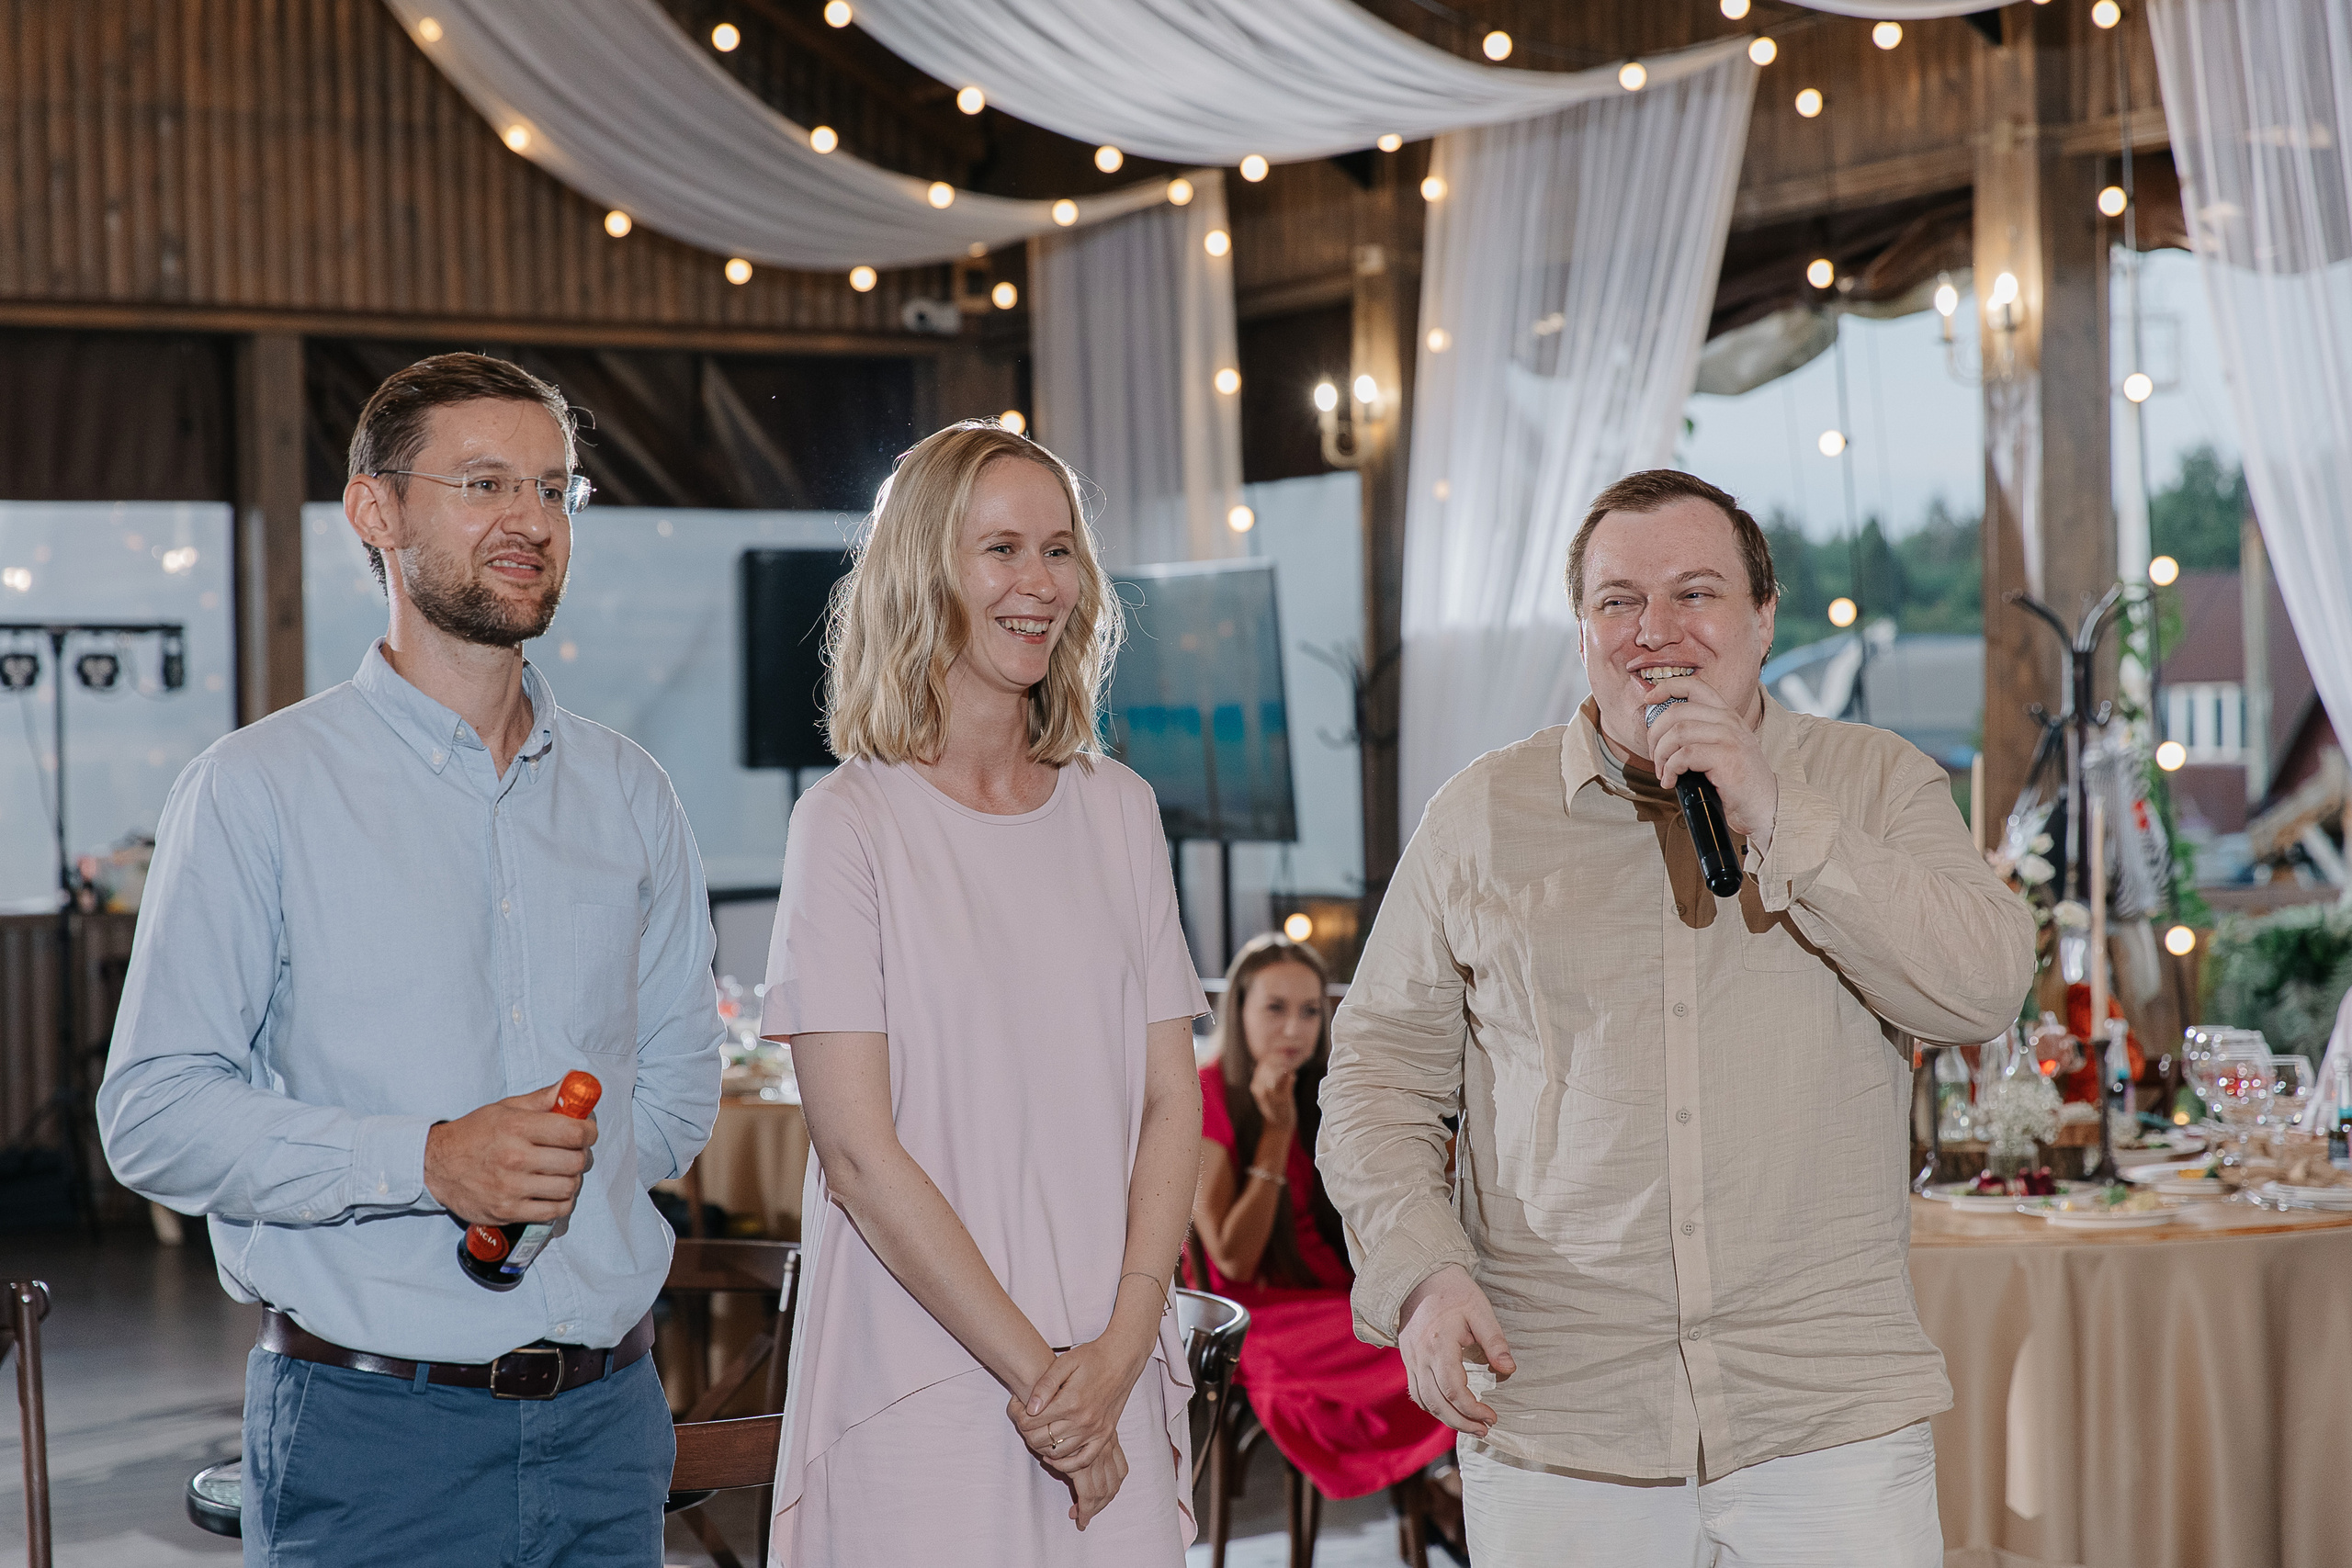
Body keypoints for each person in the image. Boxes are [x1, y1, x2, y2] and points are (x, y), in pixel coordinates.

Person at [1317, 468, 2036, 1565]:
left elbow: (1981, 987)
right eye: (1617, 601)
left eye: (1694, 594)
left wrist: (1777, 811)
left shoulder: (1877, 782)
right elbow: (1375, 1078)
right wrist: (1420, 1271)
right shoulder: (1479, 818)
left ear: (1761, 618)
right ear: (1581, 632)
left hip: (1823, 1429)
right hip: (1564, 1424)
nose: (1653, 631)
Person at [97, 352, 723, 1567]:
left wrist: (572, 1240)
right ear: (375, 511)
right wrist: (429, 1160)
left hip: (610, 1426)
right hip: (368, 1432)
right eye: (486, 481)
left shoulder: (631, 793)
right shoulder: (255, 789)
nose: (531, 520)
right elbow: (153, 1114)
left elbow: (676, 1085)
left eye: (554, 488)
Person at [760, 420, 1204, 1565]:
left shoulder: (1121, 812)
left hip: (1111, 1361)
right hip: (927, 1372)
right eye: (1000, 548)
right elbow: (858, 1154)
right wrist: (1045, 1381)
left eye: (1060, 551)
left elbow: (1171, 1105)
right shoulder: (846, 827)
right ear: (923, 574)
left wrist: (1115, 1353)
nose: (1039, 584)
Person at [1190, 934, 1461, 1538]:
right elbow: (1232, 1259)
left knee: (1448, 1328)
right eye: (1276, 1007)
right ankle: (1443, 1487)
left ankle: (1445, 1485)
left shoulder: (1330, 1088)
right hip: (1254, 1312)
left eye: (1311, 1009)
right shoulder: (1206, 1091)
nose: (1295, 1027)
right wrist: (1274, 1132)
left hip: (1331, 1290)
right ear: (1238, 1010)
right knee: (1426, 1347)